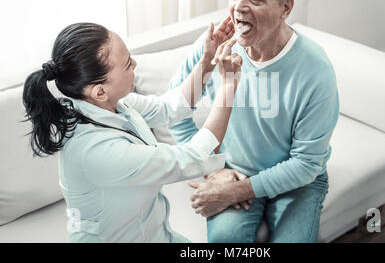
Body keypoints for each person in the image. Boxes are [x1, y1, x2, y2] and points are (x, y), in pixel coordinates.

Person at [168, 0, 340, 243]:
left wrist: (238, 191)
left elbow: (307, 163)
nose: (238, 8)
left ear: (286, 8)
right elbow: (176, 115)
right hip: (232, 170)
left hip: (297, 183)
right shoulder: (213, 47)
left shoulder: (315, 69)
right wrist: (213, 170)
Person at [22, 17, 243, 243]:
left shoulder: (110, 103)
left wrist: (208, 60)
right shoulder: (95, 151)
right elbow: (194, 157)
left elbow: (170, 107)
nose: (135, 64)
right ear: (99, 91)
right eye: (128, 63)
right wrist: (228, 86)